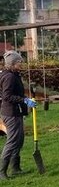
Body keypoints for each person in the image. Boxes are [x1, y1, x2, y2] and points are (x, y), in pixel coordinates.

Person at [0, 51, 37, 180]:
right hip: (11, 113)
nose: (21, 64)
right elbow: (7, 96)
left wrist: (26, 99)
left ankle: (15, 168)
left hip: (17, 112)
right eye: (19, 62)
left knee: (19, 140)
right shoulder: (9, 77)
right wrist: (24, 100)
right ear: (12, 63)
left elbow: (17, 93)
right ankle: (2, 171)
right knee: (12, 141)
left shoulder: (14, 75)